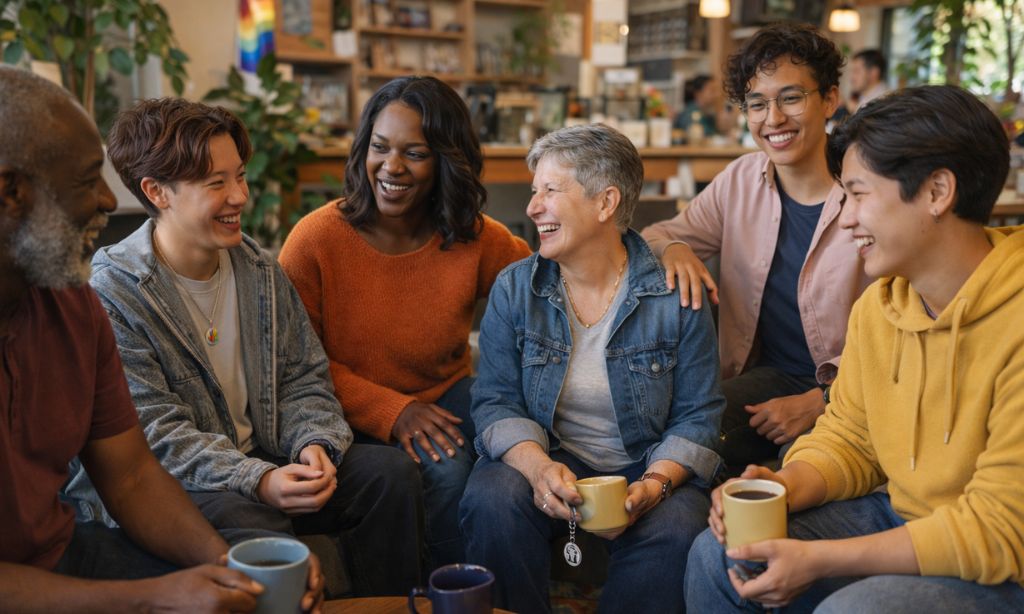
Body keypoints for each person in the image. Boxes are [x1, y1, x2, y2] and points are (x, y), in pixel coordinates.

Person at [62, 97, 422, 598]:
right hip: (176, 485)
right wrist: (257, 479)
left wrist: (313, 444)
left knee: (390, 476)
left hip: (268, 456)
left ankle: (384, 607)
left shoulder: (258, 270)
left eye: (240, 175)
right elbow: (155, 437)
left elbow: (303, 376)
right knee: (248, 517)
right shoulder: (115, 292)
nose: (240, 196)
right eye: (216, 183)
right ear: (156, 191)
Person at [686, 85, 1024, 613]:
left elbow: (1000, 529)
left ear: (938, 192)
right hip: (899, 515)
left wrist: (821, 560)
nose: (844, 220)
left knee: (853, 608)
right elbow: (851, 437)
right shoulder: (880, 308)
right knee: (721, 555)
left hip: (1004, 561)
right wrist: (785, 484)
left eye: (860, 195)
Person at [0, 66, 283, 612]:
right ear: (11, 191)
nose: (110, 202)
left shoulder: (73, 305)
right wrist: (153, 598)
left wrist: (229, 568)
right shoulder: (109, 288)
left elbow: (130, 475)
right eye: (87, 181)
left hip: (63, 553)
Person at [460, 123, 725, 613]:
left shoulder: (675, 294)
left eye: (550, 191)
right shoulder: (515, 288)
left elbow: (699, 415)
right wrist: (538, 469)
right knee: (491, 498)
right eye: (534, 190)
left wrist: (656, 483)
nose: (532, 206)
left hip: (645, 462)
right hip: (553, 453)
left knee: (679, 527)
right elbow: (495, 400)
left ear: (606, 203)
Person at [279, 76, 531, 569]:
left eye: (414, 153)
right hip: (345, 406)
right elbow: (292, 366)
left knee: (522, 441)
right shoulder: (315, 240)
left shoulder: (473, 236)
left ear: (445, 161)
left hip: (446, 393)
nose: (391, 167)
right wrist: (393, 411)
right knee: (448, 467)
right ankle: (448, 592)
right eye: (379, 147)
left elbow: (541, 288)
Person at [642, 23, 871, 468]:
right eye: (757, 104)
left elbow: (904, 328)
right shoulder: (743, 179)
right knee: (676, 432)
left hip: (859, 387)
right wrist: (674, 249)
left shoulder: (869, 189)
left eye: (791, 98)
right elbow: (656, 235)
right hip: (767, 378)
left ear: (829, 99)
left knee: (803, 464)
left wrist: (821, 400)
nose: (774, 119)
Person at [673, 74, 736, 141]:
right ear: (698, 93)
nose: (717, 94)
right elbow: (703, 136)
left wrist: (724, 124)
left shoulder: (708, 113)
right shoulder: (689, 113)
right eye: (712, 90)